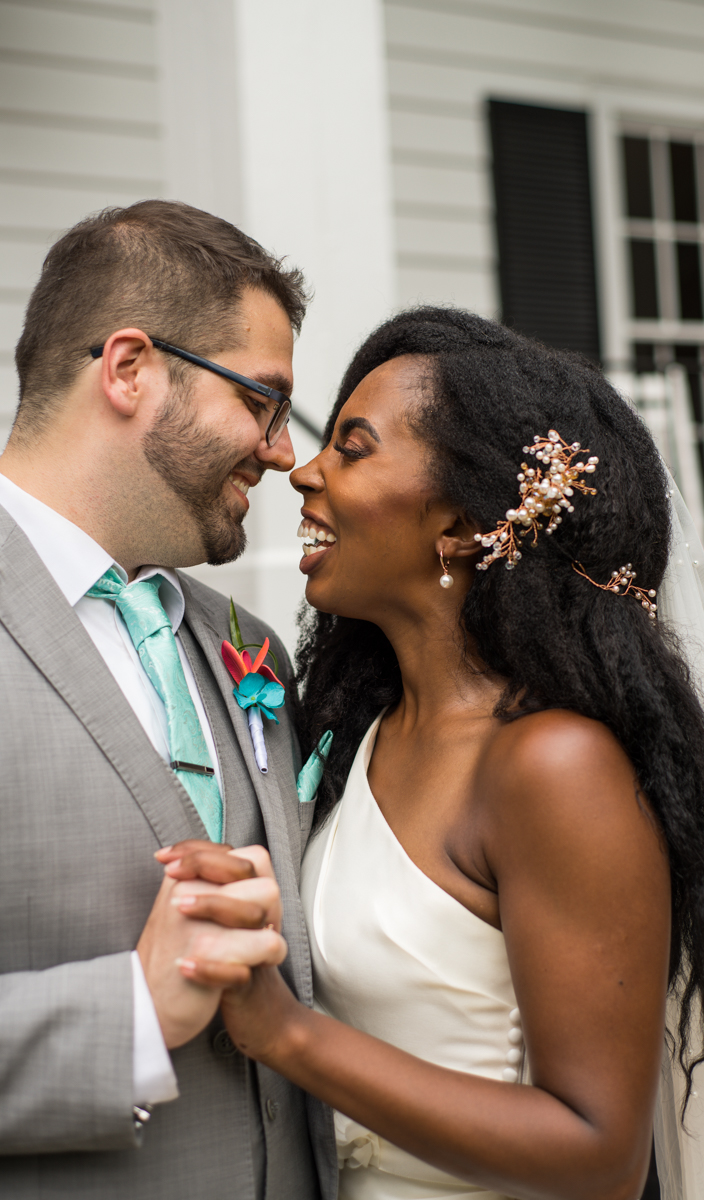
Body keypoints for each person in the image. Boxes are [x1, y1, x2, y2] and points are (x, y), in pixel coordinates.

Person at [175, 307, 704, 1200]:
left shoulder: (553, 766)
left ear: (465, 525)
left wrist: (287, 1034)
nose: (304, 471)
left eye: (353, 448)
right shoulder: (365, 730)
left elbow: (600, 1156)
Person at [0, 201, 336, 1199]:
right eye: (262, 400)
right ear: (129, 368)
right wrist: (132, 1013)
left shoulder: (250, 647)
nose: (282, 452)